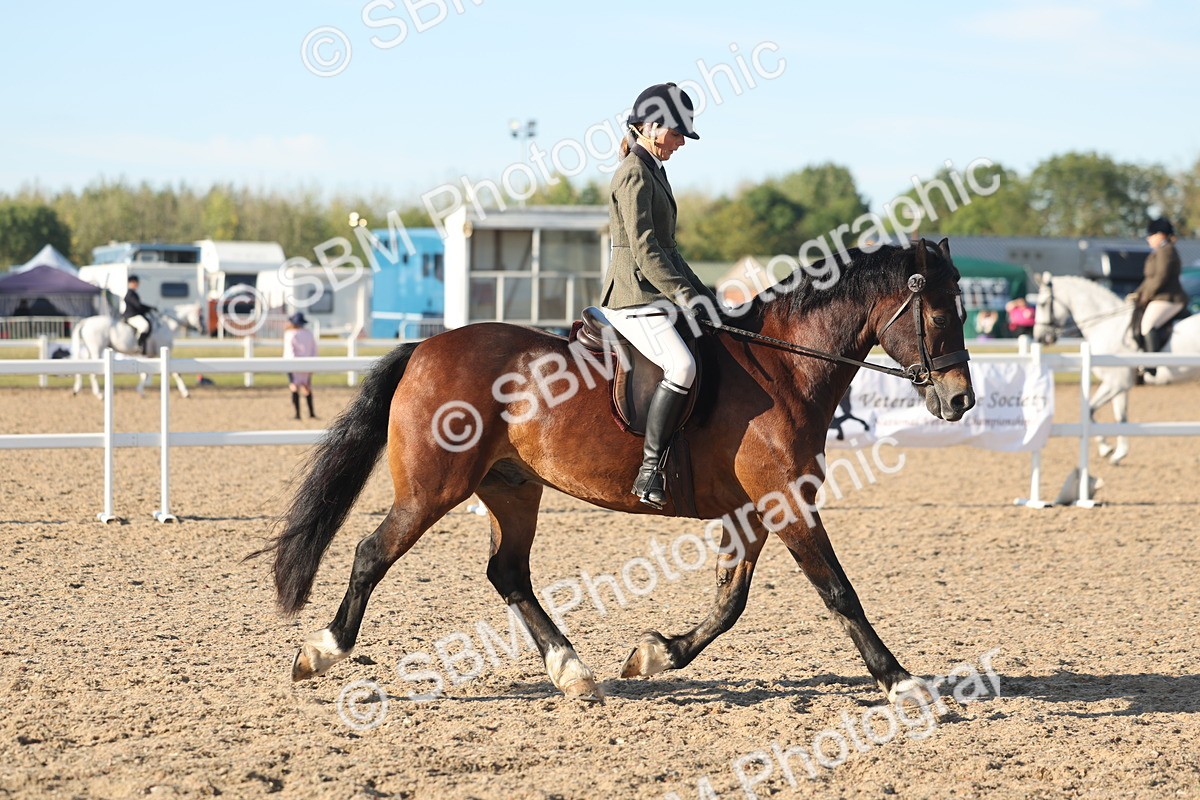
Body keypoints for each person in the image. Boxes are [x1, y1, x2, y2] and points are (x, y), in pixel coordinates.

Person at [600, 82, 720, 509]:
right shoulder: (633, 171)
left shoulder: (654, 168)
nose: (681, 143)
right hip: (634, 296)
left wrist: (706, 295)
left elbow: (670, 249)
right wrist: (688, 298)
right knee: (682, 365)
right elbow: (647, 250)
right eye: (677, 133)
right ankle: (649, 469)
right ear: (651, 126)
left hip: (655, 294)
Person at [1131, 218, 1188, 361]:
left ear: (1160, 235)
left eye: (1151, 235)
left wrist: (1146, 296)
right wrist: (1137, 294)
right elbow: (1149, 279)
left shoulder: (1166, 250)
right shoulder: (1158, 252)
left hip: (1169, 298)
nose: (1148, 238)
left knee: (1147, 325)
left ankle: (1152, 364)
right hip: (1159, 297)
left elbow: (1161, 277)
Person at [284, 312, 318, 419]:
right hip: (308, 365)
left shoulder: (290, 334)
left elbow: (290, 352)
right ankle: (311, 413)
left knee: (294, 387)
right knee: (307, 387)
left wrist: (291, 365)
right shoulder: (309, 334)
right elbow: (314, 351)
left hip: (293, 365)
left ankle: (297, 414)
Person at [122, 275, 156, 354]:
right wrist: (148, 308)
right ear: (131, 283)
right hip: (131, 316)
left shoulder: (133, 293)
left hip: (134, 315)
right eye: (136, 282)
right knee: (145, 326)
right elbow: (138, 305)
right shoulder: (130, 294)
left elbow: (139, 305)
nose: (137, 284)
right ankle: (138, 345)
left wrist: (150, 308)